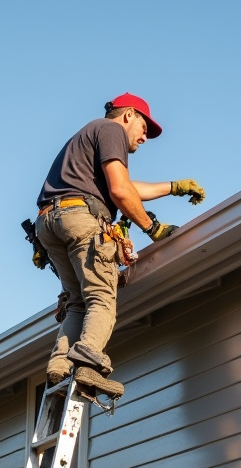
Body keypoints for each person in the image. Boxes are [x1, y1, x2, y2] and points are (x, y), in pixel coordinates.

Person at [35, 92, 205, 398]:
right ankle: (87, 363)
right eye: (144, 127)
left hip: (51, 223)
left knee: (77, 302)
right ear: (128, 115)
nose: (145, 137)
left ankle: (59, 365)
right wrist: (152, 228)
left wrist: (173, 187)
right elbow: (119, 191)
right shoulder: (110, 129)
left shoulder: (86, 136)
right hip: (82, 217)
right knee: (101, 298)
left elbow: (127, 186)